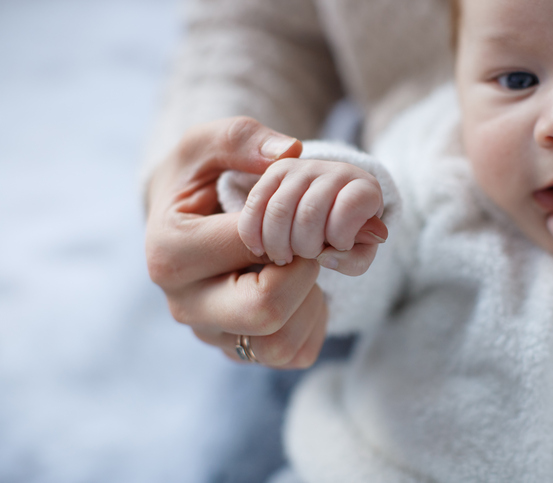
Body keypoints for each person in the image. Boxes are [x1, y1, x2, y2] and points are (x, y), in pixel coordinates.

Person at [217, 0, 553, 481]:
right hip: (375, 466)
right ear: (459, 81)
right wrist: (327, 213)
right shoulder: (436, 156)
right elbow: (351, 293)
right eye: (518, 80)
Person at [143, 1, 454, 480]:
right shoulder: (438, 160)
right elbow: (259, 22)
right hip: (379, 178)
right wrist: (214, 174)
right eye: (519, 80)